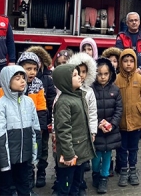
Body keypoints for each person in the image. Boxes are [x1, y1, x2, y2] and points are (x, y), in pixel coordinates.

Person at [0, 66, 41, 196]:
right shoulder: (0, 105)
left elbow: (35, 129)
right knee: (6, 187)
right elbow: (0, 135)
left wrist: (34, 153)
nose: (22, 81)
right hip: (8, 159)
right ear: (7, 81)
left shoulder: (29, 102)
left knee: (25, 186)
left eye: (23, 78)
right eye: (17, 78)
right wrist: (4, 162)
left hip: (24, 158)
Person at [52, 64, 96, 196]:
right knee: (66, 185)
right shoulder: (64, 102)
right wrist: (69, 154)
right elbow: (63, 131)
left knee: (76, 184)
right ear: (65, 80)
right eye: (75, 75)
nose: (79, 77)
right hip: (70, 155)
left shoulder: (79, 96)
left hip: (80, 152)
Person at [114, 49, 141, 186]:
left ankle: (133, 170)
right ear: (120, 62)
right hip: (121, 122)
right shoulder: (117, 79)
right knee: (122, 148)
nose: (128, 64)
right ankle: (123, 171)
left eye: (131, 61)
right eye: (125, 61)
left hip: (136, 121)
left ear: (135, 62)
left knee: (134, 148)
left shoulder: (140, 79)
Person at [25, 45, 58, 188]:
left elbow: (50, 101)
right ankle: (30, 173)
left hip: (42, 122)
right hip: (26, 124)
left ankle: (42, 172)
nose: (32, 72)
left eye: (35, 67)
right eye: (29, 68)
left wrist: (46, 123)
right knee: (30, 150)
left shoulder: (47, 79)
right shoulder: (20, 81)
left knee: (43, 149)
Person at [67, 52, 98, 193]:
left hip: (84, 133)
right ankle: (68, 185)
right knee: (69, 160)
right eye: (78, 71)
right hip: (70, 133)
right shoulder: (66, 91)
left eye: (84, 71)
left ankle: (80, 184)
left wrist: (92, 131)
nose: (81, 75)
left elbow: (92, 113)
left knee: (82, 161)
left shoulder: (89, 92)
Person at [91, 58, 123, 194]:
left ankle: (104, 178)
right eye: (99, 74)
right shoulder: (90, 90)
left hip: (110, 130)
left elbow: (119, 109)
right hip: (96, 130)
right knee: (96, 155)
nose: (103, 77)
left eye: (105, 74)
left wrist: (112, 124)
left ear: (110, 74)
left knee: (107, 154)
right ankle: (95, 173)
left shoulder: (115, 90)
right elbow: (89, 110)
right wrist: (97, 124)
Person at [115, 12, 141, 80]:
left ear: (139, 22)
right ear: (127, 23)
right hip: (126, 75)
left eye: (136, 20)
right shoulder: (121, 37)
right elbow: (119, 55)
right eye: (131, 20)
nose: (134, 22)